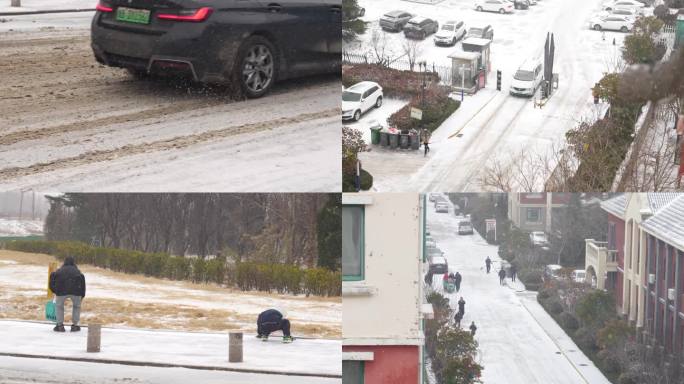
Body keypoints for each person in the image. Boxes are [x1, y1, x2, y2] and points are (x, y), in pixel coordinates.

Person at [48, 256, 86, 332]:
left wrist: (54, 290)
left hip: (61, 291)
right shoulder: (77, 271)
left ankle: (60, 326)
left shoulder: (60, 270)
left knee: (59, 306)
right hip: (76, 292)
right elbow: (82, 282)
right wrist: (82, 294)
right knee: (76, 307)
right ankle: (75, 326)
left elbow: (52, 277)